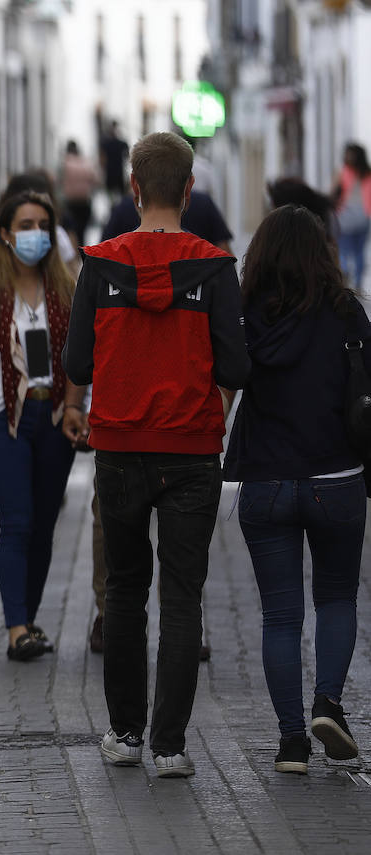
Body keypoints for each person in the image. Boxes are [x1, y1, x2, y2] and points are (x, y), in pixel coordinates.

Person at [65, 131, 249, 778]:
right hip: (192, 451)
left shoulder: (100, 265)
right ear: (190, 190)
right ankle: (170, 746)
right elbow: (235, 363)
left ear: (134, 188)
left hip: (117, 449)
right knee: (181, 596)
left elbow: (77, 362)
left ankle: (124, 732)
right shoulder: (216, 268)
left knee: (123, 589)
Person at [223, 204, 369, 775]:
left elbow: (225, 381)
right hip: (336, 481)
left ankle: (290, 743)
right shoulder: (346, 313)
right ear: (323, 253)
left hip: (266, 483)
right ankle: (327, 703)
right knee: (335, 599)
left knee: (279, 617)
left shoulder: (243, 317)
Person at [0, 191, 85, 661]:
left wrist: (80, 408)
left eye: (43, 226)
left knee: (44, 526)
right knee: (17, 522)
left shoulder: (67, 294)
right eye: (25, 225)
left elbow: (81, 359)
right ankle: (16, 628)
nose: (35, 234)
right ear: (7, 235)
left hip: (54, 416)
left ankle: (28, 620)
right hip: (6, 420)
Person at [99, 187, 233, 254]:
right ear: (189, 182)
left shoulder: (123, 207)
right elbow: (224, 251)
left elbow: (103, 254)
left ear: (135, 182)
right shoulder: (203, 203)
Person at [334, 142, 371, 290]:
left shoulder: (343, 172)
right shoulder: (367, 173)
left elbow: (334, 193)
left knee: (344, 250)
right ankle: (357, 283)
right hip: (364, 215)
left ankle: (345, 281)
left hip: (346, 216)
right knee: (358, 252)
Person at [60, 140, 99, 246]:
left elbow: (59, 181)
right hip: (85, 201)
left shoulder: (65, 163)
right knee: (82, 230)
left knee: (72, 231)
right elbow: (95, 180)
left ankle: (74, 252)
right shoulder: (86, 163)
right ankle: (81, 251)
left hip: (71, 202)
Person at [99, 120, 129, 203]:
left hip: (110, 173)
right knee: (121, 196)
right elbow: (127, 156)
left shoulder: (105, 143)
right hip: (119, 172)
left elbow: (102, 160)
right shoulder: (122, 143)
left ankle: (114, 210)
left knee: (110, 198)